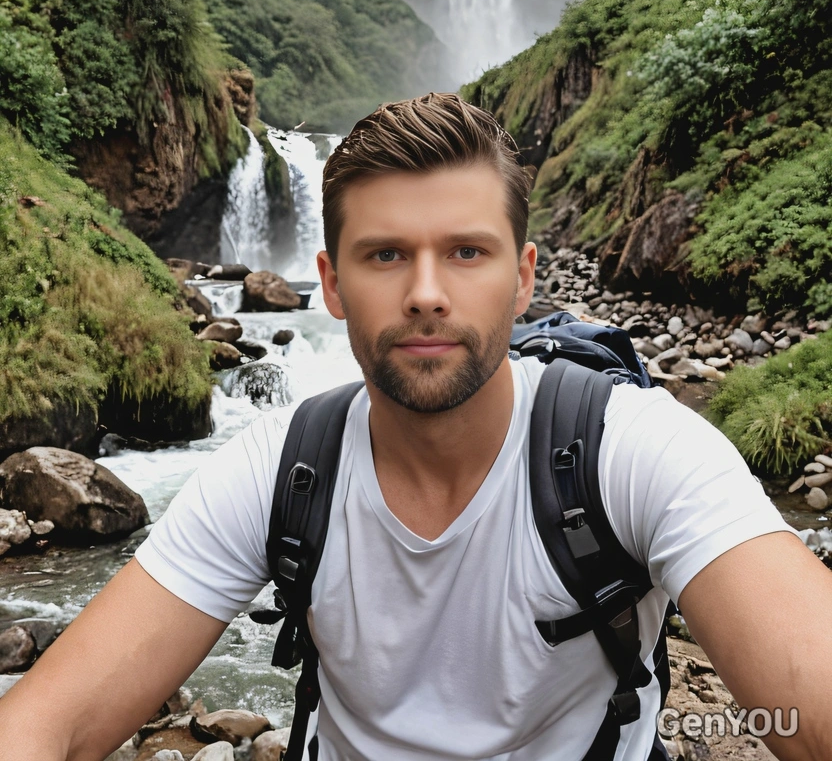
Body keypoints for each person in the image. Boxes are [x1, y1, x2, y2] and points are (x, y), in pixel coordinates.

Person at [1, 93, 830, 761]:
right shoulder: (282, 470)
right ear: (328, 283)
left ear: (522, 278)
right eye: (386, 254)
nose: (427, 292)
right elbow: (49, 722)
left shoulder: (636, 449)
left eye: (467, 252)